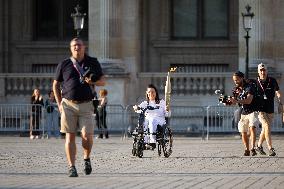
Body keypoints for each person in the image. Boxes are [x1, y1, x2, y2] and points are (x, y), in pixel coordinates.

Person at [53, 38, 105, 177]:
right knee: (69, 137)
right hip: (68, 104)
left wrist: (92, 80)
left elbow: (102, 81)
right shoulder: (64, 64)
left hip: (86, 105)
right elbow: (55, 85)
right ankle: (72, 167)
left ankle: (86, 159)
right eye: (74, 45)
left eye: (79, 45)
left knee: (87, 136)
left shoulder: (92, 62)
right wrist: (59, 104)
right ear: (71, 48)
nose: (77, 47)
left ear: (84, 47)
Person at [255, 63, 283, 156]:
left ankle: (258, 146)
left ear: (266, 71)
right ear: (258, 72)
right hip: (260, 109)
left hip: (270, 109)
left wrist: (280, 102)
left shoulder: (272, 81)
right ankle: (270, 148)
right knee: (266, 126)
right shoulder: (255, 82)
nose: (263, 72)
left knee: (265, 129)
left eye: (264, 70)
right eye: (261, 70)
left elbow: (278, 92)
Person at [227, 71, 258, 156]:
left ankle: (252, 148)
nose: (235, 81)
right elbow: (233, 101)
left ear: (242, 78)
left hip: (253, 111)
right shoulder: (235, 89)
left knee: (252, 128)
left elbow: (249, 100)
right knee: (243, 131)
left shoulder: (249, 87)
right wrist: (227, 101)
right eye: (234, 80)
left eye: (237, 80)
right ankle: (247, 149)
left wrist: (236, 101)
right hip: (243, 112)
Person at [133, 84, 170, 149]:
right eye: (149, 92)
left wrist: (167, 109)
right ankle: (145, 142)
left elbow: (168, 114)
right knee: (143, 122)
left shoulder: (161, 102)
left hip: (160, 121)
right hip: (148, 120)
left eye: (153, 92)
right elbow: (138, 109)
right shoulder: (145, 103)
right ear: (147, 93)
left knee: (152, 120)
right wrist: (136, 107)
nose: (151, 93)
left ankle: (152, 142)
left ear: (156, 93)